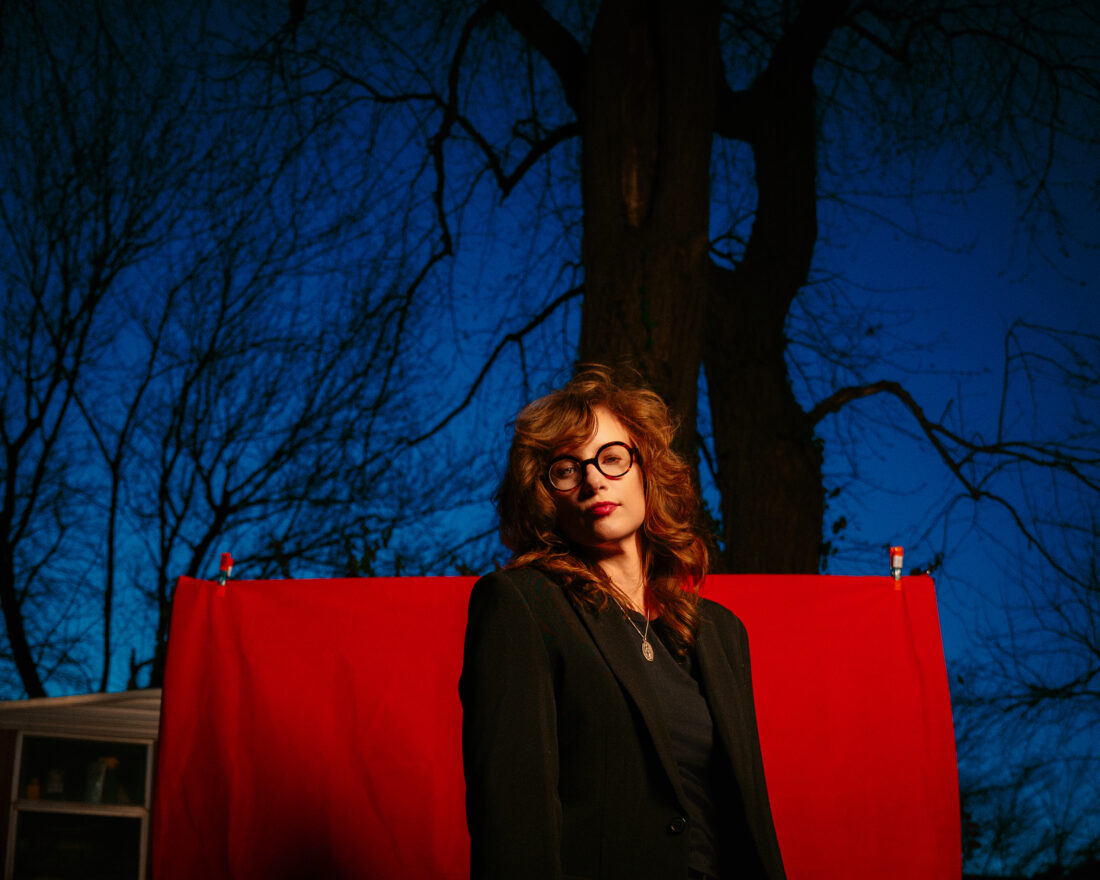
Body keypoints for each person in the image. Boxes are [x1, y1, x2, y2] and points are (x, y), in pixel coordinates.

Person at [459, 366, 786, 880]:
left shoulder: (721, 633)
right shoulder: (522, 606)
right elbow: (511, 817)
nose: (593, 479)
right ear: (547, 496)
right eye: (566, 469)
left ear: (646, 470)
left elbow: (747, 823)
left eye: (612, 458)